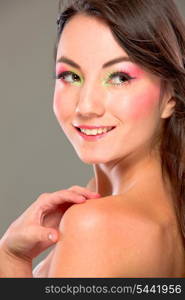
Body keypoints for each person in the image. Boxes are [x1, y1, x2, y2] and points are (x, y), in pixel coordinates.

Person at [0, 0, 185, 278]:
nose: (86, 106)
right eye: (71, 75)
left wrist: (10, 258)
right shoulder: (170, 204)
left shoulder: (94, 225)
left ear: (170, 96)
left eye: (120, 77)